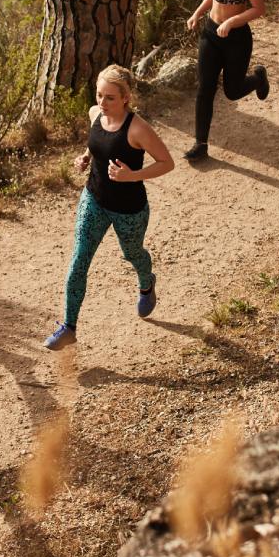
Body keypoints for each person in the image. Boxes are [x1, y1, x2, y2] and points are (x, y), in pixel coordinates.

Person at [43, 65, 175, 349]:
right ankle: (69, 326)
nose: (102, 103)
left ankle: (147, 281)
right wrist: (86, 157)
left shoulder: (138, 129)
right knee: (78, 261)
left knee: (133, 254)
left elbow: (167, 163)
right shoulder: (95, 114)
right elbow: (97, 143)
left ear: (126, 97)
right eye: (99, 95)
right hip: (94, 199)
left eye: (109, 98)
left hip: (129, 209)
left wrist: (132, 175)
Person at [181, 0, 269, 162]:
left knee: (232, 91)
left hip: (236, 39)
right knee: (205, 88)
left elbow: (258, 9)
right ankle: (200, 144)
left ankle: (258, 78)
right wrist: (197, 13)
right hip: (211, 34)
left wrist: (231, 22)